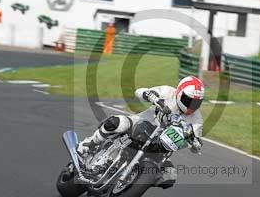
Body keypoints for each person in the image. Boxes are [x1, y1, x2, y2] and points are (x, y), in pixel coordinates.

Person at [77, 77, 205, 186]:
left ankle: (138, 180)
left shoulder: (196, 119)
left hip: (160, 147)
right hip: (141, 123)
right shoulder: (167, 92)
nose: (191, 106)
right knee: (116, 123)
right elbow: (139, 92)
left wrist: (194, 143)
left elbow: (196, 145)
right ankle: (90, 143)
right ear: (179, 93)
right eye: (189, 101)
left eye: (196, 103)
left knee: (170, 176)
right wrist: (150, 95)